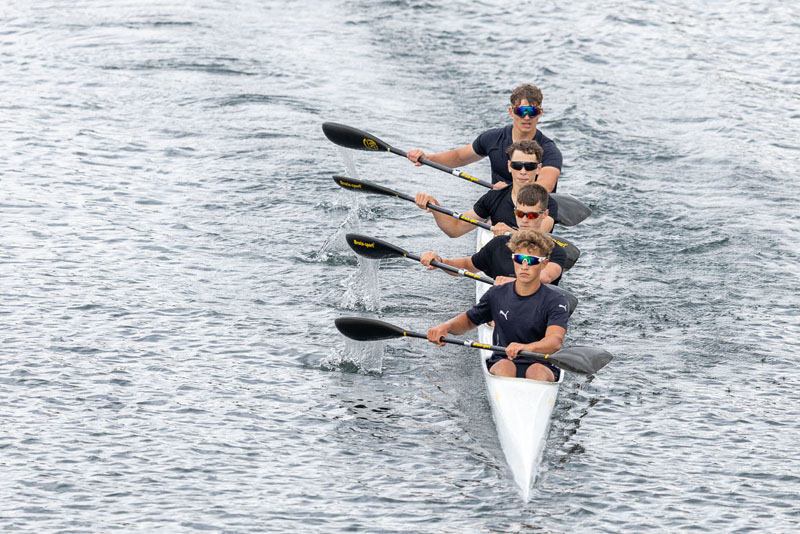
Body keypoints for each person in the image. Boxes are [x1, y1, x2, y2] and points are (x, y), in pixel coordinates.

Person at [426, 230, 568, 381]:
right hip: (503, 359)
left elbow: (555, 341)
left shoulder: (556, 301)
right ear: (513, 260)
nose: (524, 266)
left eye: (531, 260)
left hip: (542, 363)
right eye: (519, 259)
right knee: (505, 367)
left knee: (536, 371)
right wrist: (445, 327)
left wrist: (526, 348)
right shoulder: (496, 294)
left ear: (544, 264)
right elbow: (468, 321)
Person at [407, 83, 562, 221]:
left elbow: (545, 186)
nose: (527, 117)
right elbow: (459, 157)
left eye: (532, 111)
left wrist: (508, 192)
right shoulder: (492, 139)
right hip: (499, 213)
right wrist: (427, 158)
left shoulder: (549, 151)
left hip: (533, 218)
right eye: (521, 111)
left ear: (540, 113)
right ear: (511, 112)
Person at [418, 183, 566, 285]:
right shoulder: (498, 245)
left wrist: (511, 283)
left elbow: (545, 277)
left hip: (537, 311)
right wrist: (440, 262)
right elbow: (467, 265)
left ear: (545, 214)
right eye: (520, 214)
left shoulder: (555, 251)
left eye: (532, 216)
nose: (525, 220)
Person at [414, 140, 555, 235]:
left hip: (531, 264)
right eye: (517, 165)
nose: (523, 171)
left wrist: (509, 233)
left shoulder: (548, 202)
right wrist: (434, 207)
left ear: (538, 169)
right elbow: (455, 228)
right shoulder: (494, 197)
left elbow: (538, 236)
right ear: (509, 167)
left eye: (529, 166)